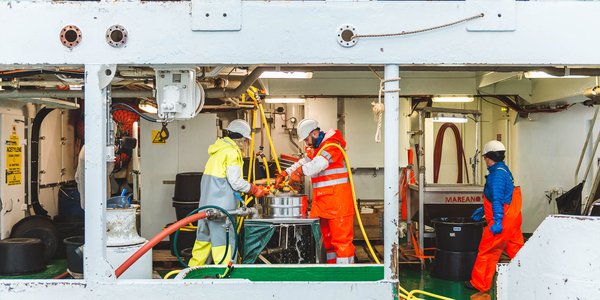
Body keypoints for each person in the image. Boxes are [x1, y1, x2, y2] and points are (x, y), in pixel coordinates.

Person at [189, 119, 269, 266]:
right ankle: (225, 275)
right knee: (223, 245)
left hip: (205, 208)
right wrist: (254, 189)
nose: (246, 144)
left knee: (202, 243)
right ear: (241, 140)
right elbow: (236, 182)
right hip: (221, 210)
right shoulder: (231, 153)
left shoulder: (217, 151)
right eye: (246, 141)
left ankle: (189, 275)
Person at [275, 119, 355, 264]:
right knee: (329, 243)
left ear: (315, 133)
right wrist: (285, 173)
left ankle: (345, 276)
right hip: (324, 204)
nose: (306, 143)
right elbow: (303, 162)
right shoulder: (316, 149)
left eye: (307, 139)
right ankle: (333, 273)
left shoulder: (333, 146)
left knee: (342, 243)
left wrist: (299, 173)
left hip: (339, 205)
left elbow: (319, 164)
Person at [466, 140, 524, 293]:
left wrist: (497, 220)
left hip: (501, 221)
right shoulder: (504, 170)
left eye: (485, 157)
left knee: (488, 251)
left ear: (489, 157)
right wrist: (485, 209)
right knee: (518, 251)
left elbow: (497, 198)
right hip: (513, 219)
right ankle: (528, 277)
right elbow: (504, 196)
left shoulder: (496, 175)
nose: (485, 160)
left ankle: (479, 284)